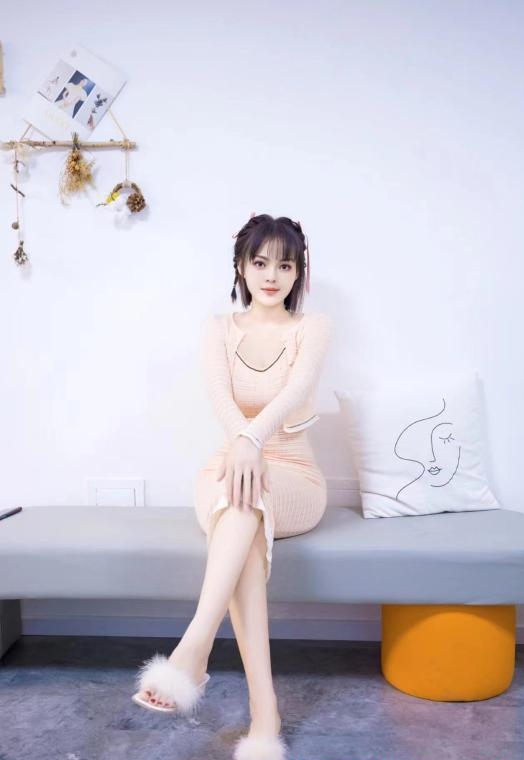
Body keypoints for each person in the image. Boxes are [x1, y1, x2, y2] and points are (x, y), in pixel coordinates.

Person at [132, 213, 334, 760]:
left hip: (294, 473)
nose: (272, 275)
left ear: (299, 273)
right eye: (260, 262)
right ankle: (265, 715)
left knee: (249, 495)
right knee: (241, 500)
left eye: (285, 265)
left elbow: (294, 392)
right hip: (227, 470)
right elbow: (219, 396)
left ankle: (195, 648)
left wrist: (251, 440)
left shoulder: (312, 327)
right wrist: (243, 446)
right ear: (241, 267)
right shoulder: (218, 328)